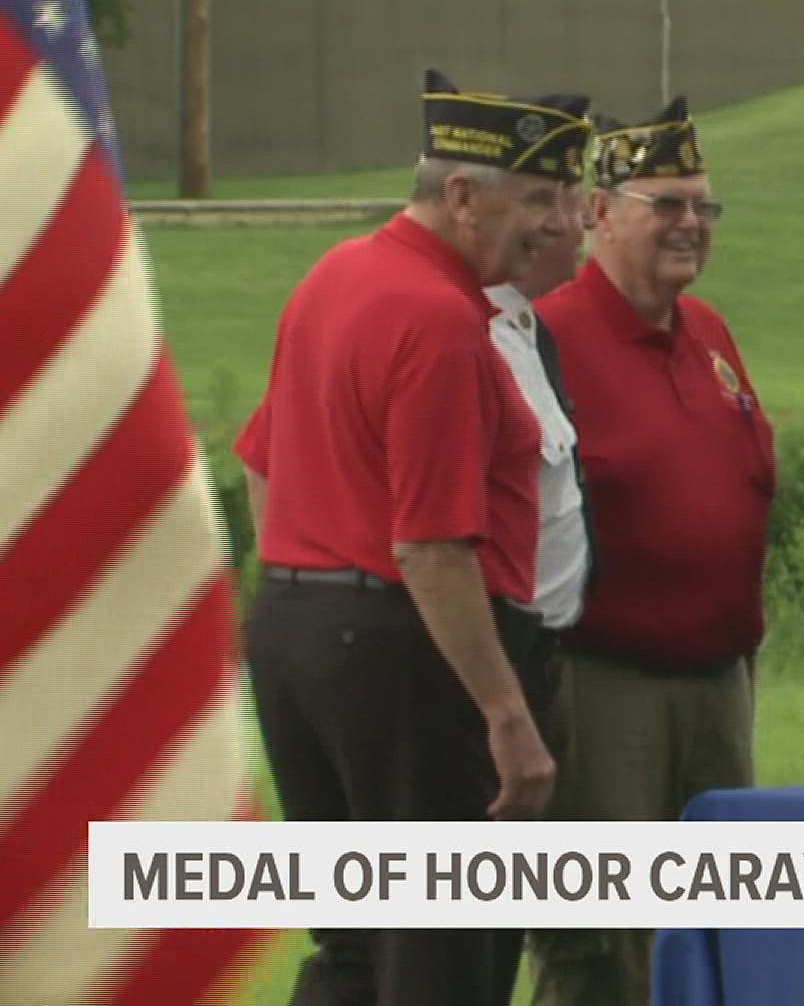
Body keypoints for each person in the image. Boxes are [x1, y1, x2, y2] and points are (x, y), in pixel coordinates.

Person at [236, 68, 590, 1006]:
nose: (554, 223)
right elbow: (431, 547)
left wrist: (308, 586)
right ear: (464, 195)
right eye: (538, 199)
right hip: (406, 652)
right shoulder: (438, 321)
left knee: (354, 941)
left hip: (295, 629)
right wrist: (507, 716)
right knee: (446, 952)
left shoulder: (335, 275)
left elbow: (260, 462)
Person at [529, 97, 771, 1006]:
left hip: (717, 681)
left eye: (703, 207)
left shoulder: (707, 335)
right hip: (601, 684)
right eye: (665, 204)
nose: (690, 225)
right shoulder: (547, 335)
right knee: (608, 944)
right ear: (598, 213)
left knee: (719, 931)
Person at [483, 178, 592, 741]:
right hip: (488, 663)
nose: (577, 227)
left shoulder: (524, 328)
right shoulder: (461, 329)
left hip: (539, 654)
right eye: (554, 205)